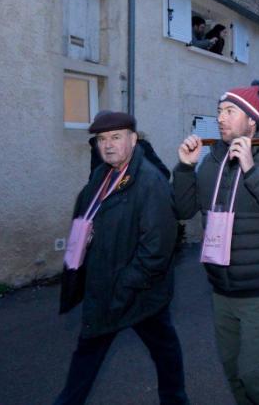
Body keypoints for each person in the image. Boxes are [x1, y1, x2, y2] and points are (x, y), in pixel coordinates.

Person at [173, 80, 259, 404]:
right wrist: (185, 169)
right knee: (233, 371)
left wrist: (251, 169)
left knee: (255, 375)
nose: (220, 118)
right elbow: (184, 209)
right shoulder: (212, 159)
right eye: (219, 112)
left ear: (251, 120)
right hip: (221, 287)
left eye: (230, 111)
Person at [55, 111, 188, 405]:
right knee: (91, 353)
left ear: (132, 139)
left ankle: (175, 400)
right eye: (102, 139)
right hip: (106, 285)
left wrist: (124, 284)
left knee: (162, 348)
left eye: (116, 137)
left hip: (136, 291)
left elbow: (157, 248)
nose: (108, 145)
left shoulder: (150, 182)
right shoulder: (102, 175)